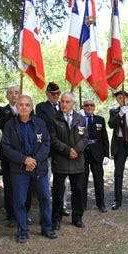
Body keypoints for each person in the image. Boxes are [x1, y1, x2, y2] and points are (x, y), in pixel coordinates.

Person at [1, 95, 57, 243]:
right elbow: (5, 147)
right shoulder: (10, 125)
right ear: (17, 107)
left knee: (44, 198)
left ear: (31, 107)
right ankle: (23, 231)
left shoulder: (40, 123)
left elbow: (46, 143)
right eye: (21, 105)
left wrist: (35, 160)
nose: (24, 107)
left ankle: (46, 228)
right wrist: (24, 160)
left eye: (27, 105)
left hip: (39, 169)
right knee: (19, 201)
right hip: (19, 170)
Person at [47, 92, 88, 229]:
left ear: (73, 104)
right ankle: (56, 219)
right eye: (62, 101)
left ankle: (77, 217)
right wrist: (67, 151)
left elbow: (85, 138)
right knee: (58, 191)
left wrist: (76, 150)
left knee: (78, 190)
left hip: (77, 160)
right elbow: (53, 140)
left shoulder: (81, 119)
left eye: (67, 102)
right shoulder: (54, 119)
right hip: (61, 160)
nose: (63, 104)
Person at [35, 82, 71, 217]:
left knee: (63, 181)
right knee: (47, 179)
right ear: (47, 94)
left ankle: (62, 205)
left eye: (57, 93)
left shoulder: (63, 106)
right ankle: (47, 207)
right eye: (52, 94)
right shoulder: (41, 107)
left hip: (62, 149)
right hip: (49, 150)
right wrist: (63, 113)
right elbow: (47, 123)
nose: (55, 96)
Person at [0, 86, 20, 227]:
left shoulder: (27, 107)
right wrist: (16, 112)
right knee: (9, 185)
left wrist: (22, 109)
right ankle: (11, 215)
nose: (14, 95)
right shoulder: (2, 110)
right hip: (8, 154)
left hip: (24, 154)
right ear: (7, 96)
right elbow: (2, 125)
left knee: (24, 185)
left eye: (17, 93)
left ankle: (23, 212)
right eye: (11, 93)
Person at [81, 99, 110, 213]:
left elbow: (104, 139)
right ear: (83, 107)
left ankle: (101, 204)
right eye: (86, 105)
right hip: (83, 152)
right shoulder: (79, 119)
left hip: (96, 153)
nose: (89, 107)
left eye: (91, 105)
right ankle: (82, 205)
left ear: (94, 107)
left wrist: (106, 154)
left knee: (98, 179)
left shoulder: (100, 120)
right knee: (82, 180)